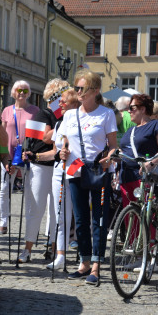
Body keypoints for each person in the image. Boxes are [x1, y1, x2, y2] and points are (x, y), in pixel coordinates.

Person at [53, 70, 118, 285]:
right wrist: (62, 151)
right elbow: (64, 142)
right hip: (75, 169)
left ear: (95, 91)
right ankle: (84, 262)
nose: (78, 92)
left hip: (98, 169)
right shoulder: (70, 115)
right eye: (77, 88)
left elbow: (113, 146)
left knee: (98, 219)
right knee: (80, 219)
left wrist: (109, 158)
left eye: (82, 88)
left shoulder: (106, 114)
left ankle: (97, 265)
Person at [17, 81, 57, 263]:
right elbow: (47, 139)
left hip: (56, 166)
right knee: (36, 208)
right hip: (40, 166)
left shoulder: (64, 116)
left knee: (56, 210)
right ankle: (27, 249)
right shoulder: (44, 114)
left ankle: (54, 247)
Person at [41, 83, 78, 271]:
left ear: (73, 103)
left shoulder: (79, 121)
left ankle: (88, 256)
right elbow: (55, 152)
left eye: (63, 102)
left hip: (77, 172)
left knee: (80, 216)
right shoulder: (58, 123)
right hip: (59, 171)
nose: (60, 104)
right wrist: (34, 156)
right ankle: (61, 256)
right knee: (60, 214)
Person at [0, 80, 40, 234]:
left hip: (27, 154)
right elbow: (2, 133)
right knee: (4, 189)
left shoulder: (35, 111)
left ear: (28, 93)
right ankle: (3, 221)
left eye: (24, 90)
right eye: (18, 90)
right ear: (13, 92)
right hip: (9, 155)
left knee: (30, 191)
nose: (21, 93)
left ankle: (30, 224)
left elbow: (38, 135)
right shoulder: (7, 111)